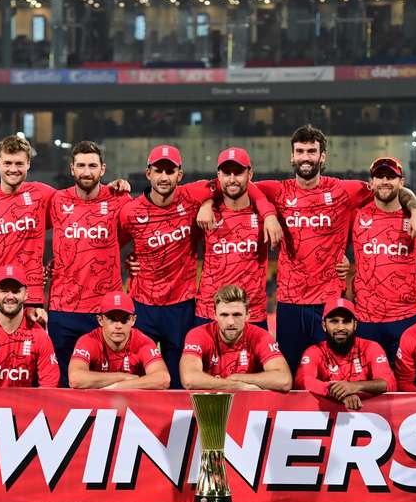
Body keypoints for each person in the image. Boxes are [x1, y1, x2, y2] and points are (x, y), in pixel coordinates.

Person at [254, 125, 416, 374]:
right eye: (300, 151)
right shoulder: (277, 190)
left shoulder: (344, 191)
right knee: (290, 376)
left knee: (334, 372)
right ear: (292, 156)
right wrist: (270, 214)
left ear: (322, 156)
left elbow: (390, 188)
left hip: (329, 302)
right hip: (289, 302)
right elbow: (242, 186)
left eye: (312, 151)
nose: (306, 157)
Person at [119, 145, 279, 388]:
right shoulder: (134, 211)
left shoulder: (199, 200)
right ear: (148, 173)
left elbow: (247, 190)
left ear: (180, 174)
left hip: (235, 310)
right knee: (161, 378)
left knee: (256, 386)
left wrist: (267, 213)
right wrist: (129, 259)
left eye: (170, 171)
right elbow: (111, 243)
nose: (164, 176)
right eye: (158, 170)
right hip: (186, 309)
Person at [47, 141, 132, 385]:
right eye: (81, 166)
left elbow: (142, 231)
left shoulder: (119, 199)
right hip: (64, 308)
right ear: (72, 168)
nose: (87, 172)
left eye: (92, 166)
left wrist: (134, 260)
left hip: (105, 310)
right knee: (64, 382)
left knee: (105, 381)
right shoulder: (56, 200)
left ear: (103, 169)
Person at [350, 156, 416, 364]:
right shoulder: (356, 216)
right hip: (366, 320)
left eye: (391, 177)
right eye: (379, 176)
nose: (385, 181)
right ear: (371, 183)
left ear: (402, 182)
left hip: (406, 319)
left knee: (408, 390)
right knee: (368, 387)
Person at [0, 135, 54, 322]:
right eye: (7, 163)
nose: (13, 169)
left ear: (28, 164)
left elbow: (78, 206)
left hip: (30, 296)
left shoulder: (42, 194)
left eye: (19, 163)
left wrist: (110, 189)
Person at [195, 148, 270, 328]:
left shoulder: (264, 212)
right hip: (209, 312)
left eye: (238, 173)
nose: (232, 179)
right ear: (218, 176)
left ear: (250, 174)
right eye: (227, 173)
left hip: (252, 314)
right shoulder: (204, 212)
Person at [180, 285, 291, 391]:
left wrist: (238, 377)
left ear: (248, 315)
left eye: (237, 315)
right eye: (224, 315)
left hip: (249, 404)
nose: (231, 322)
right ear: (215, 315)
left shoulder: (260, 336)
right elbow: (189, 379)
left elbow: (284, 380)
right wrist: (237, 386)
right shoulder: (199, 335)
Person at [295, 297, 395, 410]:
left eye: (346, 321)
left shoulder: (371, 347)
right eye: (334, 321)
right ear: (324, 325)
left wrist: (354, 387)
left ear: (355, 325)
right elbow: (302, 380)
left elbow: (388, 383)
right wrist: (337, 392)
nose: (340, 327)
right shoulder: (314, 351)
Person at [68, 291, 170, 390]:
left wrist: (118, 386)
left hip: (134, 404)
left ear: (133, 320)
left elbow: (163, 379)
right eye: (112, 320)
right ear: (100, 320)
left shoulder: (142, 342)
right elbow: (75, 378)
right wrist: (122, 377)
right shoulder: (89, 341)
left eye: (124, 320)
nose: (118, 326)